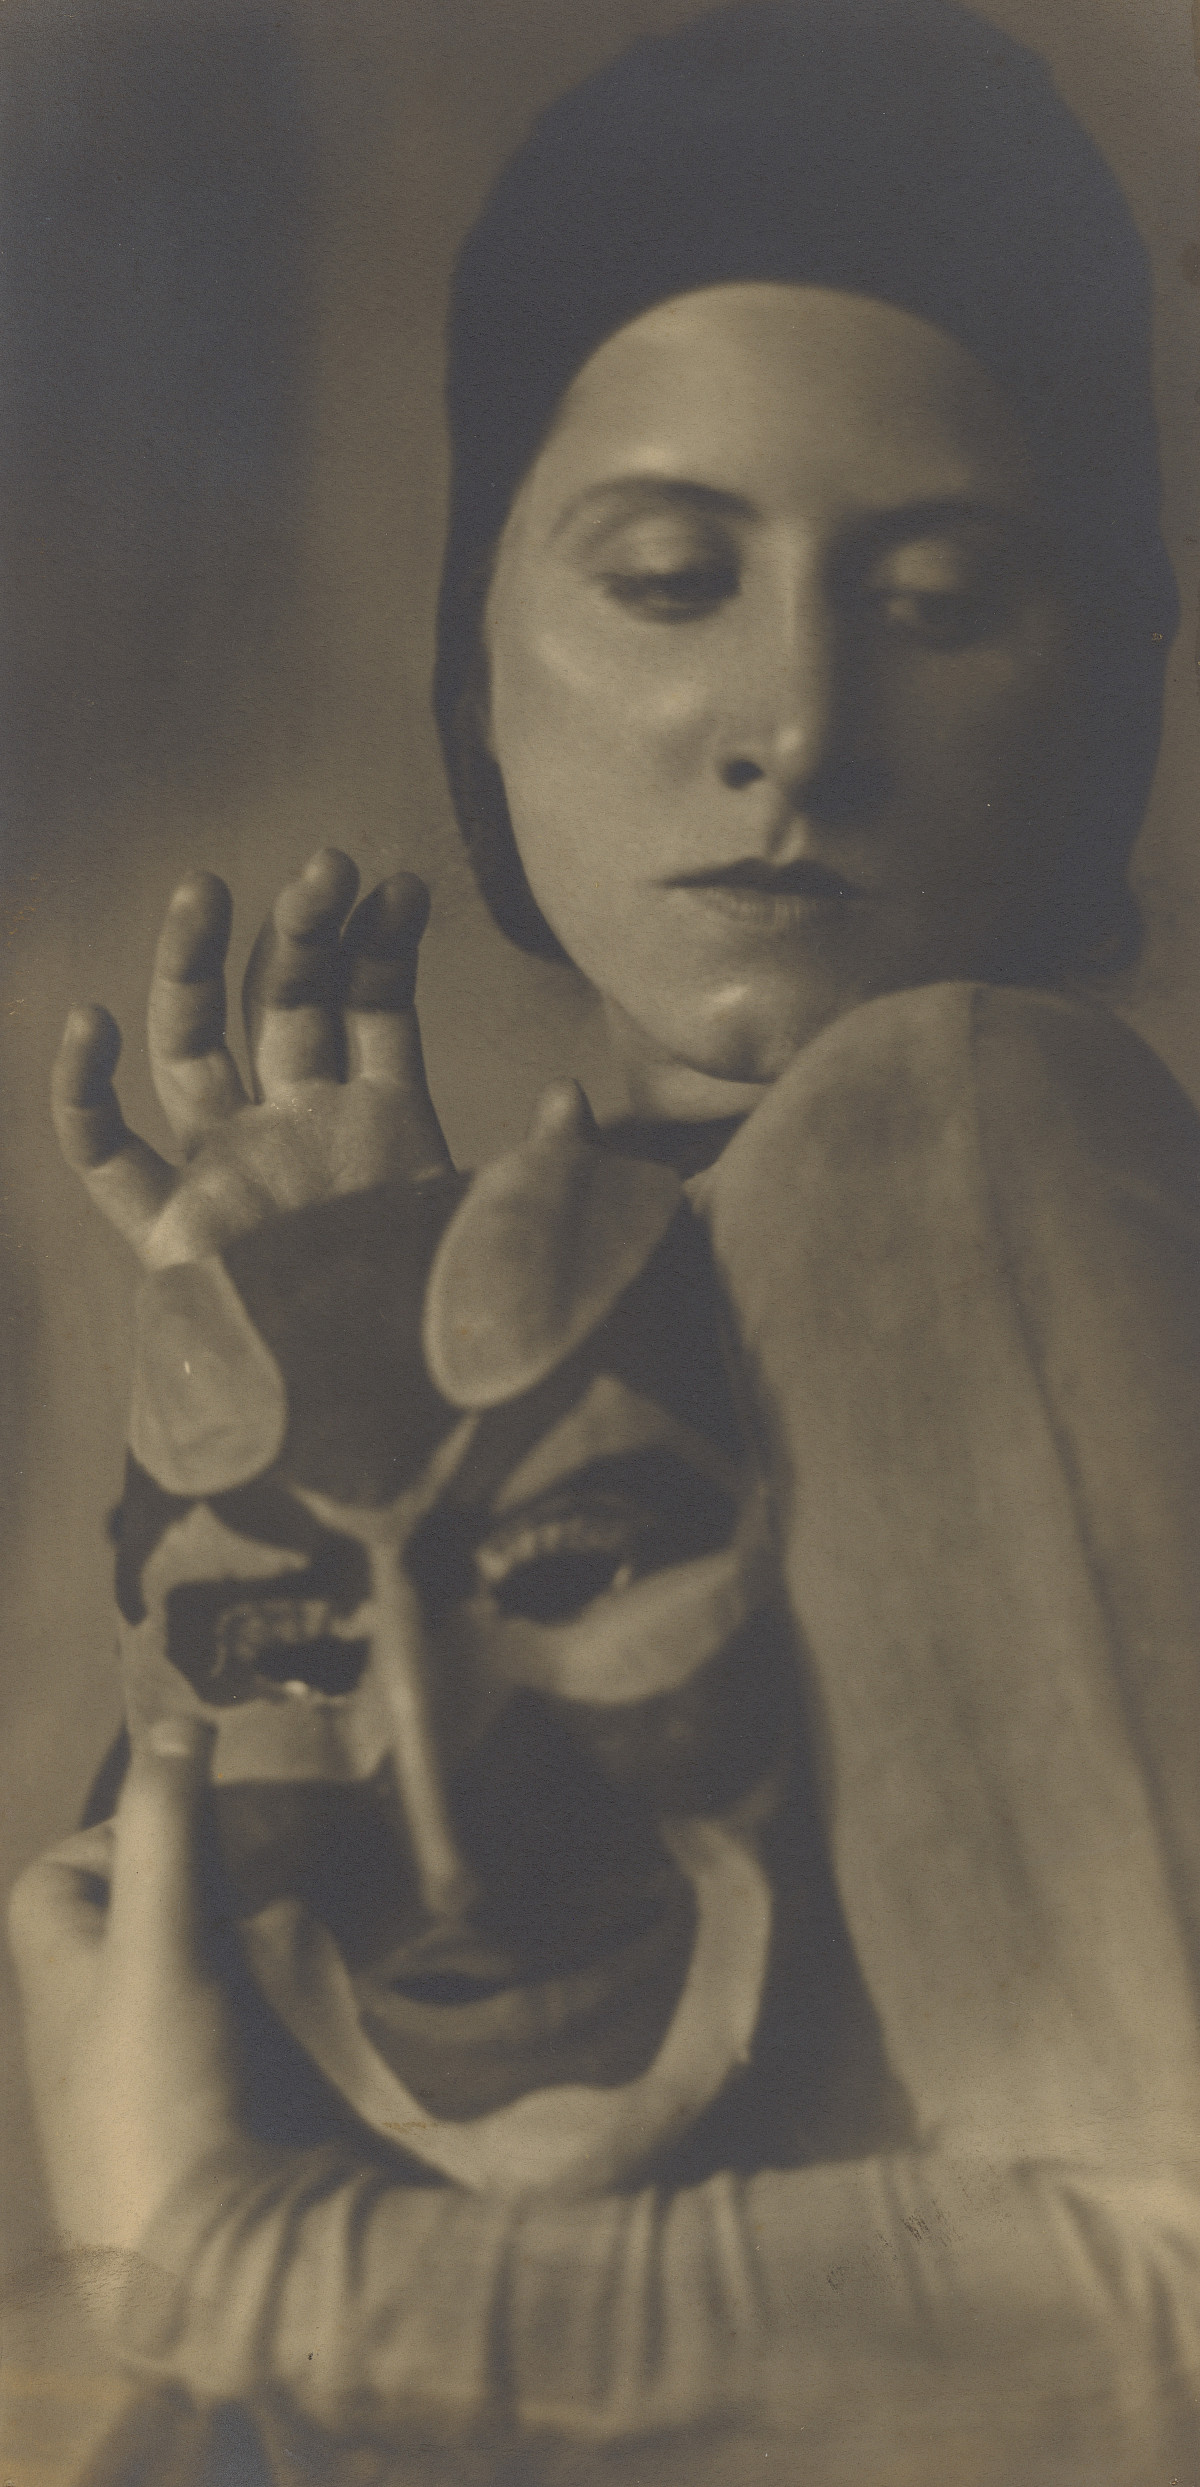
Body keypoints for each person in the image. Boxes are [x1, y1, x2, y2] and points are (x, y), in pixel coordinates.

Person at [10, 1, 1200, 2479]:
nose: (792, 713)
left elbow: (1161, 2289)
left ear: (1092, 693)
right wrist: (405, 1372)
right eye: (666, 578)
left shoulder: (958, 1139)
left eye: (940, 597)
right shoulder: (598, 1237)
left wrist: (255, 2264)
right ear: (486, 660)